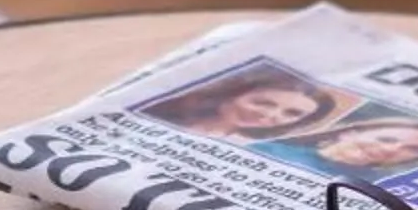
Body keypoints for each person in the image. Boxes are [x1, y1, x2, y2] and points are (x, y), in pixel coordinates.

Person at [144, 76, 338, 142]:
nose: (270, 115)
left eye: (292, 114)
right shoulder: (159, 111)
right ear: (233, 93)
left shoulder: (249, 145)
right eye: (263, 102)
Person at [269, 115, 418, 179]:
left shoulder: (376, 186)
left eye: (413, 150)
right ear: (350, 133)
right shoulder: (270, 148)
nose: (392, 149)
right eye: (386, 139)